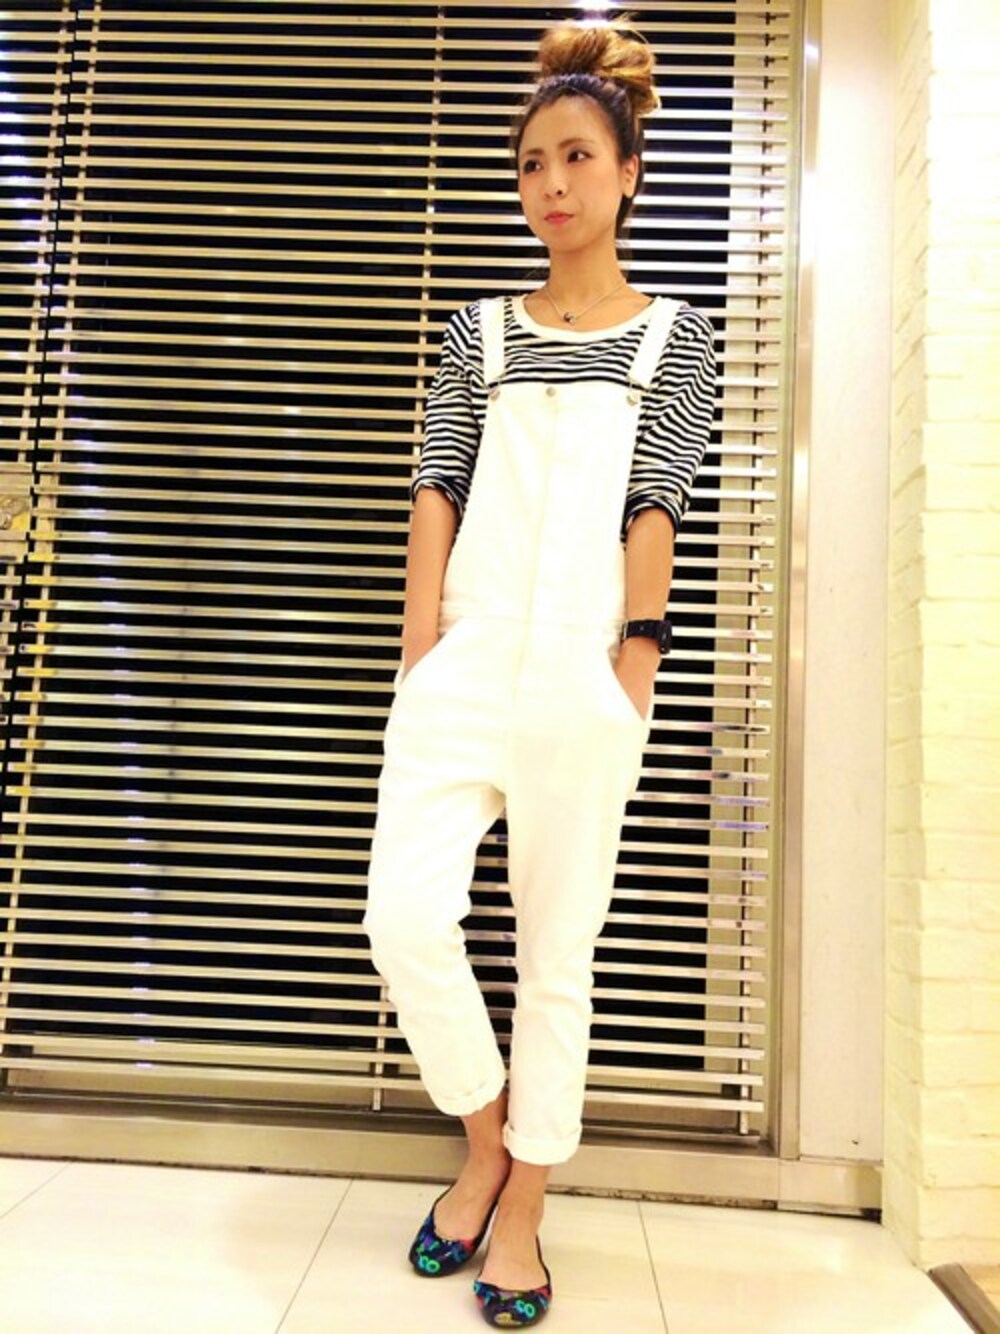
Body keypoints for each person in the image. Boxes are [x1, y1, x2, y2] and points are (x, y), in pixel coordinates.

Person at [362, 12, 717, 1329]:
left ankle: (523, 1204)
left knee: (558, 950)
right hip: (462, 656)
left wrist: (637, 662)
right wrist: (421, 650)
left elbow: (657, 501)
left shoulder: (675, 336)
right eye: (530, 164)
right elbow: (437, 489)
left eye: (575, 158)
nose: (551, 184)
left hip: (584, 665)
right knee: (404, 918)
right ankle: (487, 1136)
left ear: (626, 174)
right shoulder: (478, 332)